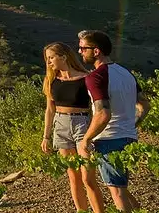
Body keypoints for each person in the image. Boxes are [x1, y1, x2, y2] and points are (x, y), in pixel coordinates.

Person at [77, 29, 150, 213]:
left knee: (117, 193)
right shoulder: (126, 73)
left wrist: (86, 139)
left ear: (96, 51)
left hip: (110, 140)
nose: (79, 52)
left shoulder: (96, 77)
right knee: (122, 190)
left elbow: (103, 114)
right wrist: (131, 125)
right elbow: (145, 105)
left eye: (83, 48)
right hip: (129, 138)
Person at [40, 42, 104, 213]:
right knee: (73, 176)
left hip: (82, 125)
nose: (49, 62)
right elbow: (50, 110)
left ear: (63, 56)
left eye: (51, 57)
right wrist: (46, 136)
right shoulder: (51, 80)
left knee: (88, 178)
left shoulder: (86, 78)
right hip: (60, 126)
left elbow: (97, 106)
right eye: (47, 59)